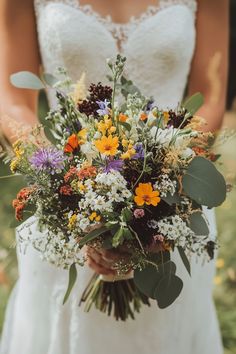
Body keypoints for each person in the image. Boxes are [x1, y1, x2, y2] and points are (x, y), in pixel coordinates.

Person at [0, 0, 229, 353]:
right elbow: (12, 99)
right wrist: (70, 190)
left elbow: (211, 97)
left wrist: (161, 196)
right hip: (67, 214)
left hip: (174, 208)